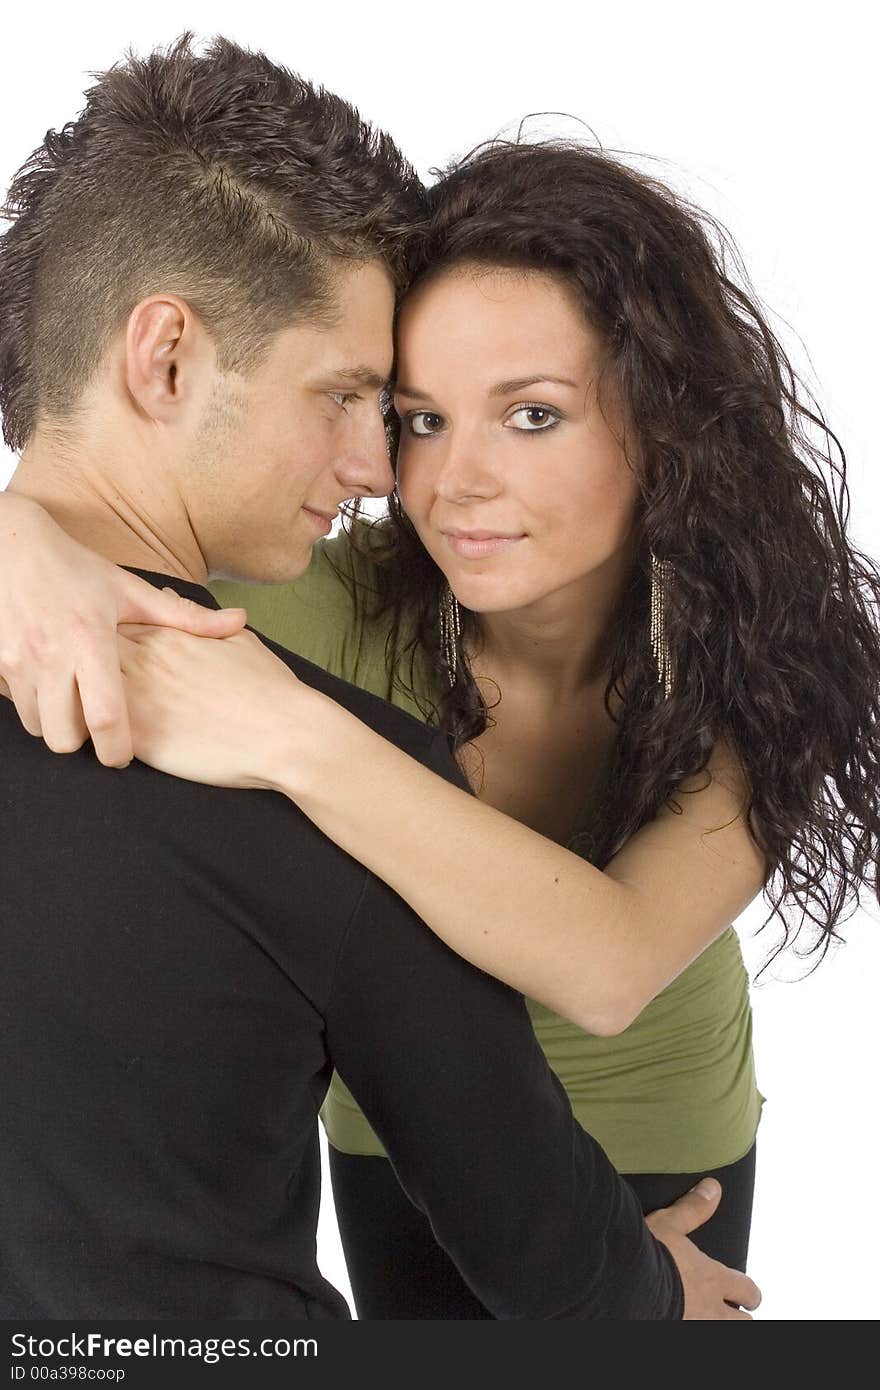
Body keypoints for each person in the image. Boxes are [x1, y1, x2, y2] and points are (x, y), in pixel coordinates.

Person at [0, 34, 765, 1321]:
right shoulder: (307, 643)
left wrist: (294, 734)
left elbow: (614, 961)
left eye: (531, 413)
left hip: (656, 1104)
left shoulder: (763, 666)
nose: (390, 474)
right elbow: (546, 1251)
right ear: (168, 358)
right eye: (380, 403)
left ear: (659, 418)